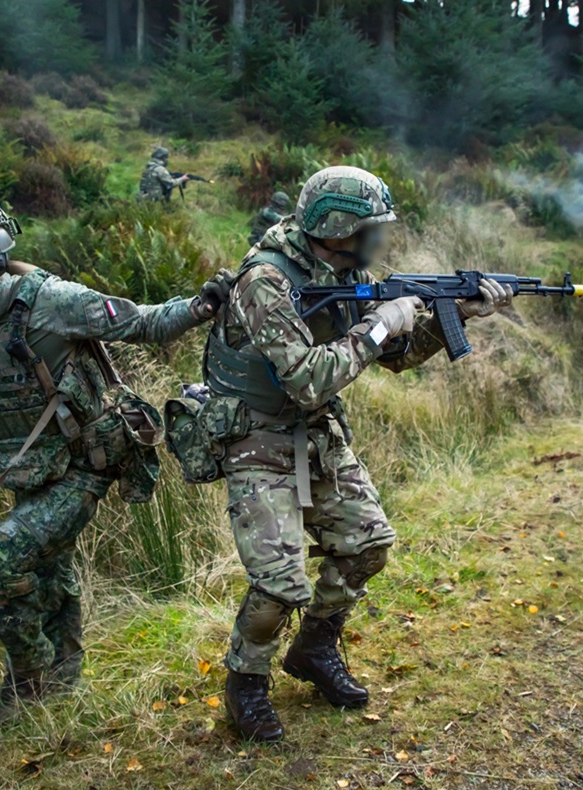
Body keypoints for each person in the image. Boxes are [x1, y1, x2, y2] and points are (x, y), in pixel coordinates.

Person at [202, 166, 513, 742]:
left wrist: (452, 320)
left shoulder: (345, 269)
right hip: (256, 437)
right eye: (371, 227)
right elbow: (306, 380)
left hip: (316, 435)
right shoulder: (265, 280)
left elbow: (393, 359)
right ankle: (245, 682)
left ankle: (315, 648)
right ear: (339, 226)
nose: (379, 239)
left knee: (369, 544)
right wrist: (376, 329)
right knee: (278, 584)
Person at [0, 194, 234, 734]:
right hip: (27, 469)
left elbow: (145, 323)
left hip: (84, 464)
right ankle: (62, 684)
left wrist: (202, 306)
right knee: (49, 573)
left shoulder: (51, 302)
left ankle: (26, 683)